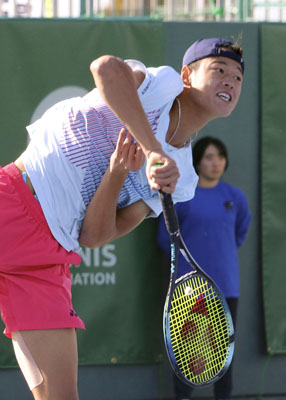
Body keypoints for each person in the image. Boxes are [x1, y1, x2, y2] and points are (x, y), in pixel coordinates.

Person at [0, 37, 245, 400]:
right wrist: (152, 150)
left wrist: (117, 173)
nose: (230, 81)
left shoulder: (183, 182)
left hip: (51, 255)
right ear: (187, 76)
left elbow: (95, 235)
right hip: (14, 200)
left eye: (238, 77)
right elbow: (105, 68)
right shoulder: (160, 85)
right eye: (219, 69)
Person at [157, 136, 251, 400]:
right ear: (197, 161)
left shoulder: (235, 198)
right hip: (190, 290)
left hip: (226, 287)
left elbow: (239, 234)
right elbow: (167, 240)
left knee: (223, 352)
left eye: (219, 156)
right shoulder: (183, 197)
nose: (215, 162)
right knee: (187, 350)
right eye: (209, 157)